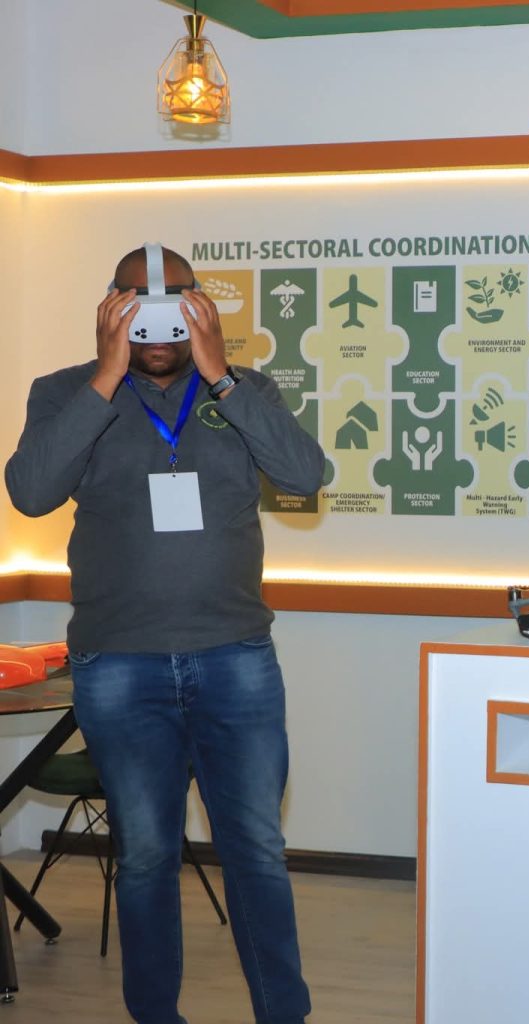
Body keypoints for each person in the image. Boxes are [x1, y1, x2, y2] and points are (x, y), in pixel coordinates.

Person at [5, 245, 323, 1024]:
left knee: (256, 850)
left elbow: (304, 475)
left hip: (235, 656)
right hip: (119, 664)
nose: (155, 321)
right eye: (136, 303)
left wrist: (222, 375)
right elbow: (32, 491)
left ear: (200, 308)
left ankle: (284, 1015)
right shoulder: (65, 392)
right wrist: (105, 375)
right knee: (146, 856)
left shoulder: (245, 389)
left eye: (174, 302)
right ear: (110, 308)